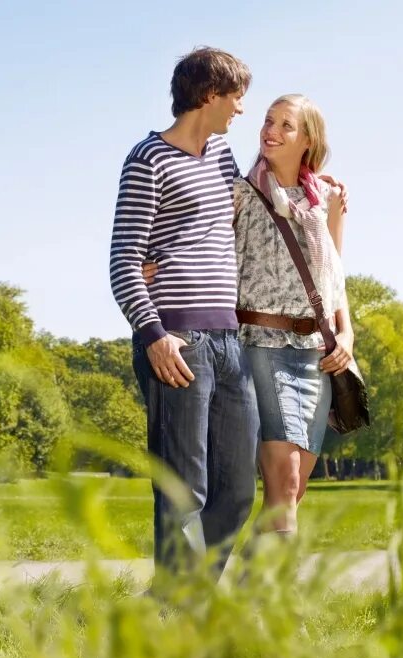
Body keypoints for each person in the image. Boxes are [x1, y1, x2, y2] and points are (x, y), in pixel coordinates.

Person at [144, 93, 354, 539]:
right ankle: (273, 602)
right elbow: (193, 227)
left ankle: (239, 591)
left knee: (293, 493)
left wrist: (346, 333)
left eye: (285, 126)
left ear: (309, 140)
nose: (270, 131)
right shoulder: (238, 192)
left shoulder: (327, 198)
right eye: (268, 121)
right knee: (286, 483)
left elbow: (333, 276)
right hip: (260, 345)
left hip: (317, 353)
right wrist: (155, 259)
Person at [108, 47, 259, 580]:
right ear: (208, 95)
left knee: (238, 485)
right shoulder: (148, 158)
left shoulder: (221, 156)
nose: (241, 108)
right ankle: (183, 611)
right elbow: (124, 261)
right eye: (236, 96)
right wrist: (154, 335)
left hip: (228, 339)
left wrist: (319, 185)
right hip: (175, 339)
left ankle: (189, 592)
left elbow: (246, 209)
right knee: (183, 486)